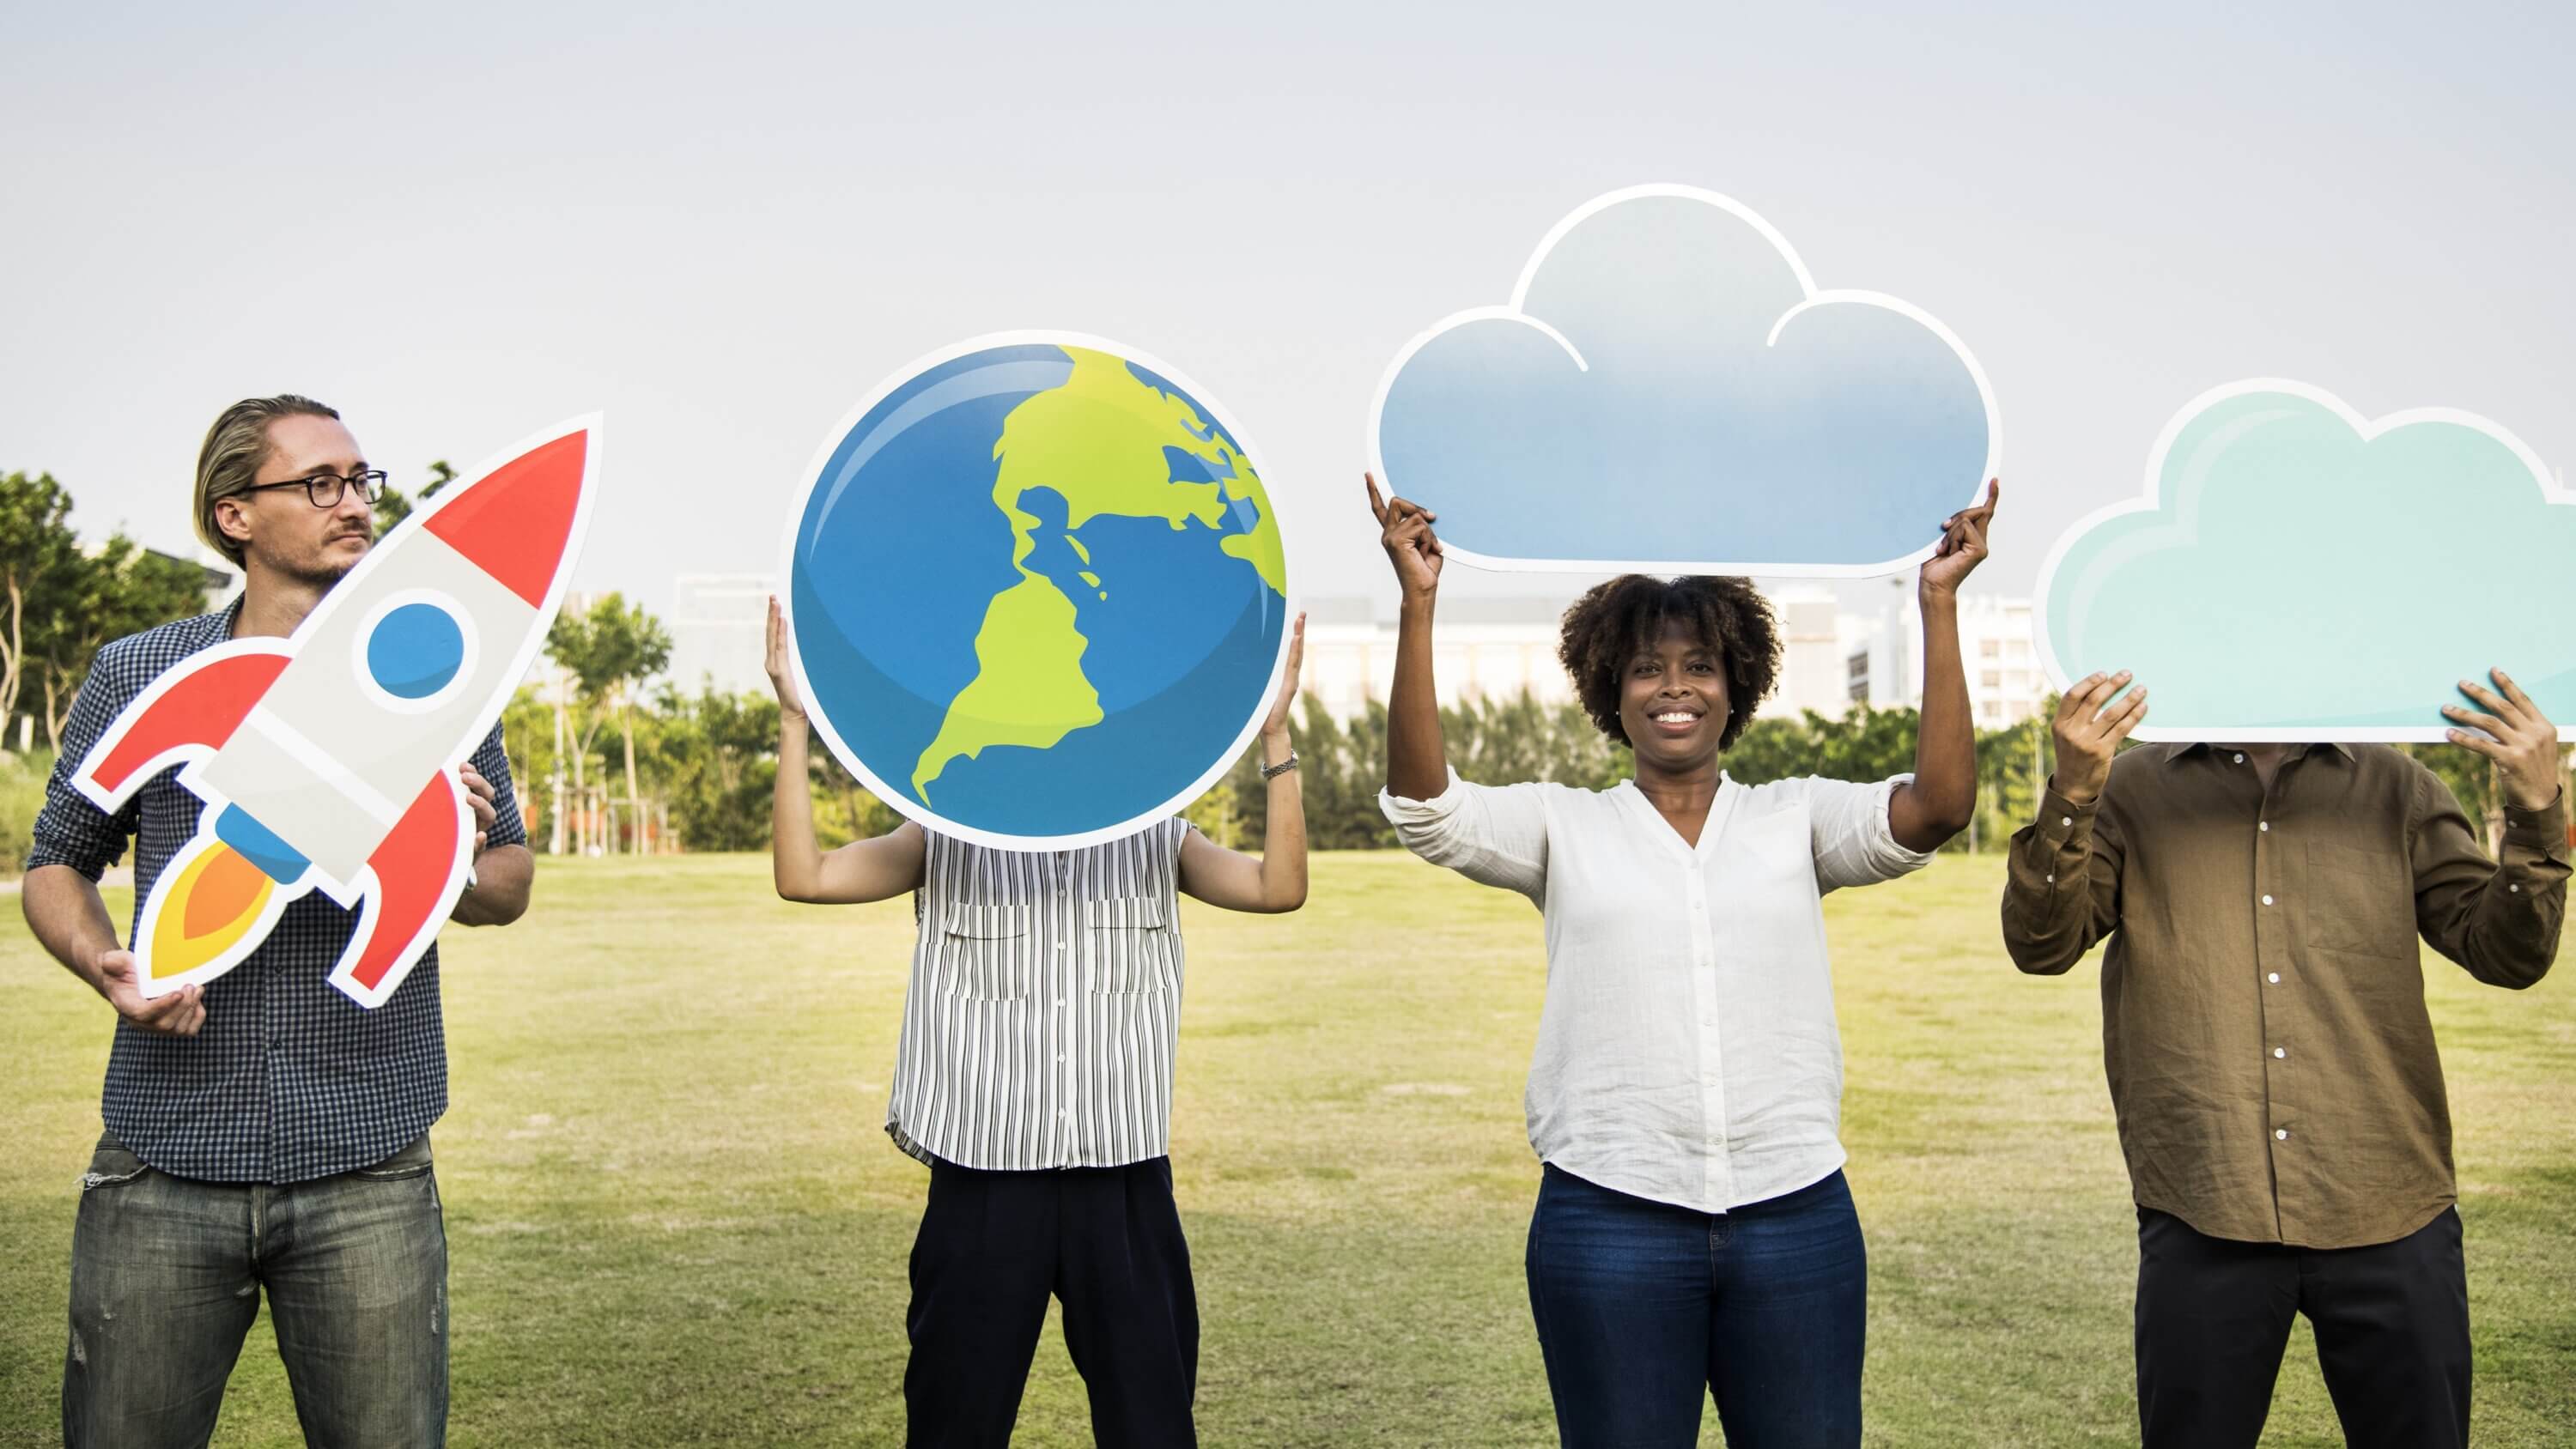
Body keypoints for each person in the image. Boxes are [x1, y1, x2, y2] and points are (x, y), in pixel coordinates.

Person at [1371, 476, 1996, 1448]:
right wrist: (1420, 605)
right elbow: (1427, 807)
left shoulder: (1797, 818)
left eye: (1700, 664)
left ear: (1734, 685)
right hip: (1608, 1217)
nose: (1674, 686)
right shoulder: (1562, 826)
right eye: (1646, 669)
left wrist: (1939, 602)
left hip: (1796, 1219)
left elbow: (1940, 806)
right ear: (1608, 691)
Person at [23, 394, 533, 1448]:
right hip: (164, 1160)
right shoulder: (141, 669)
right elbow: (56, 864)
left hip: (368, 1161)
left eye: (361, 480)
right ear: (233, 515)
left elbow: (508, 881)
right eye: (319, 482)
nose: (354, 504)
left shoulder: (440, 679)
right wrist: (101, 962)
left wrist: (446, 859)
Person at [763, 596, 1308, 1448]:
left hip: (1123, 1186)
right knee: (953, 1426)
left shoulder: (1158, 837)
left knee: (1153, 1427)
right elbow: (806, 874)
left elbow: (1278, 887)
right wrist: (797, 719)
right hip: (982, 1183)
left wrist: (1275, 739)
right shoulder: (944, 834)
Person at [2001, 667, 2566, 1449]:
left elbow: (2509, 955)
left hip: (2389, 1204)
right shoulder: (2129, 789)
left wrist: (2538, 814)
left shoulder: (2402, 787)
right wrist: (2070, 793)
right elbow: (2041, 944)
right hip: (2205, 1202)